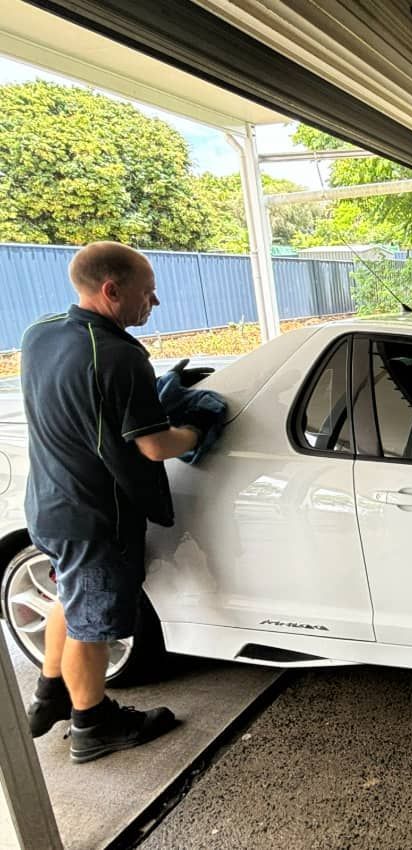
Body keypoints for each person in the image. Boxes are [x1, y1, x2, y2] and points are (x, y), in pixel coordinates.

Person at [20, 241, 224, 763]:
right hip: (96, 515)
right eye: (147, 294)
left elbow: (87, 404)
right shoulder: (119, 354)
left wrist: (151, 400)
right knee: (93, 626)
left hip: (48, 502)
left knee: (71, 595)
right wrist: (196, 425)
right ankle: (93, 724)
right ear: (111, 290)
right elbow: (155, 446)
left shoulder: (39, 334)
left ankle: (50, 694)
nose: (153, 305)